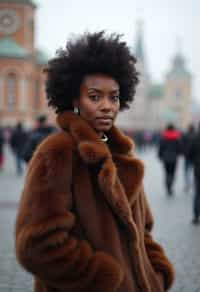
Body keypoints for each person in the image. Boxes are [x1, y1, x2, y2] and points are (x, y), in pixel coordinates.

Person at [15, 31, 174, 292]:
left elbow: (142, 231)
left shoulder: (121, 154)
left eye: (114, 97)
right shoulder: (58, 152)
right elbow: (36, 245)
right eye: (95, 96)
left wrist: (156, 273)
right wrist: (105, 279)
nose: (107, 106)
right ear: (75, 100)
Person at [158, 124, 182, 195]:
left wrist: (160, 156)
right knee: (172, 173)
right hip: (174, 158)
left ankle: (167, 186)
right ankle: (170, 186)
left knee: (167, 173)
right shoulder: (176, 137)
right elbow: (179, 148)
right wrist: (178, 153)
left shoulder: (163, 137)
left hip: (165, 158)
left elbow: (161, 147)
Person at [188, 123, 200, 224]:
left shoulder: (195, 138)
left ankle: (196, 216)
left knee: (197, 194)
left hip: (198, 169)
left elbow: (189, 153)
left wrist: (194, 162)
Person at [181, 124, 195, 192]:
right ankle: (193, 183)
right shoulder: (196, 136)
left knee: (186, 171)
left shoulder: (185, 136)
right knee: (194, 171)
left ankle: (187, 184)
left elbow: (182, 145)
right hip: (195, 158)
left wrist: (183, 153)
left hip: (187, 156)